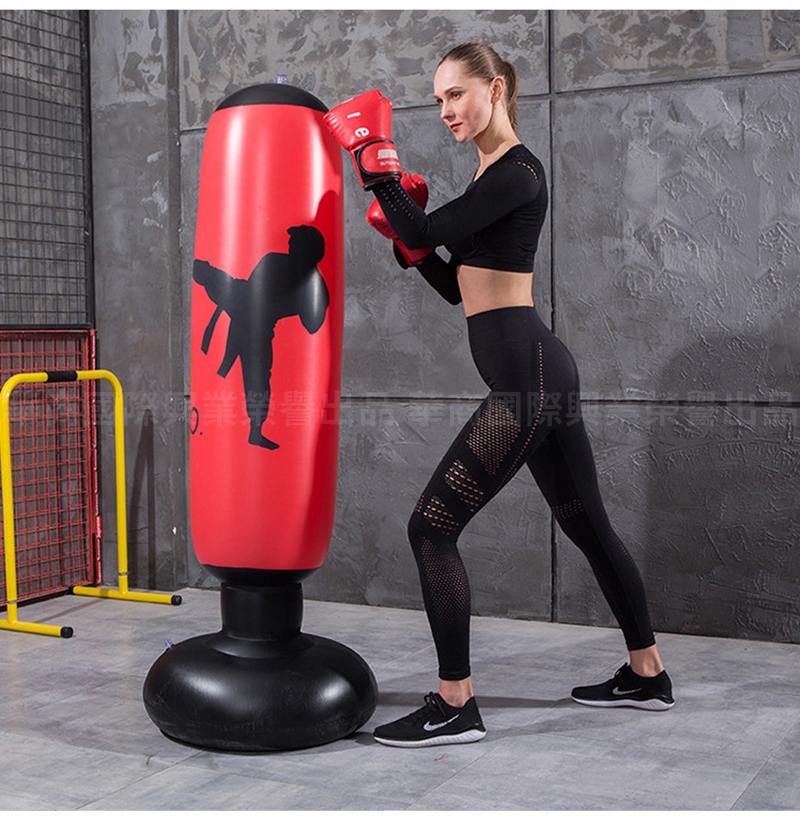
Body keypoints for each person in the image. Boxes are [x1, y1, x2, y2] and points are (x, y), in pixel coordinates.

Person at [325, 42, 674, 749]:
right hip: (541, 376)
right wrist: (412, 247)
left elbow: (424, 226)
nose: (446, 110)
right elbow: (456, 285)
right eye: (438, 100)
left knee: (430, 528)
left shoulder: (518, 171)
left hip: (528, 382)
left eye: (456, 94)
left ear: (496, 89)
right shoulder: (490, 176)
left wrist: (374, 162)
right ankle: (648, 674)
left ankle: (455, 704)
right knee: (588, 527)